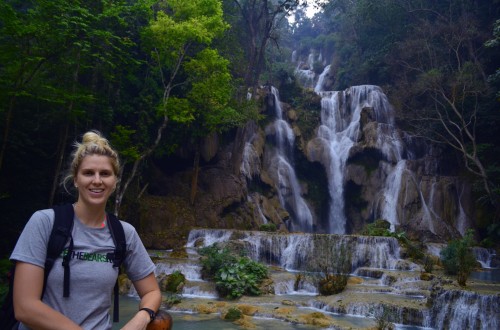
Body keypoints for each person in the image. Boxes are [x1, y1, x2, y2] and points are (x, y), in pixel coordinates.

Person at [10, 131, 161, 330]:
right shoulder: (45, 222)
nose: (97, 180)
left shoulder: (124, 233)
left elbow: (152, 292)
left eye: (105, 174)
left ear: (115, 182)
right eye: (89, 173)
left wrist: (141, 318)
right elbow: (25, 307)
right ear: (75, 179)